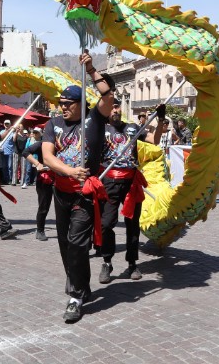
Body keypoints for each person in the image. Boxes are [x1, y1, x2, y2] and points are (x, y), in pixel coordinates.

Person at [42, 52, 113, 323]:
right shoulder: (53, 124)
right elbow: (48, 157)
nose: (63, 108)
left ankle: (75, 297)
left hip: (84, 192)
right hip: (61, 190)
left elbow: (108, 96)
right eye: (61, 103)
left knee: (76, 242)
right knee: (64, 243)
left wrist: (93, 70)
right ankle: (80, 283)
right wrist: (70, 170)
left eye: (68, 104)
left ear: (82, 104)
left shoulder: (94, 120)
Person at [97, 98, 158, 284]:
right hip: (109, 182)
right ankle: (107, 262)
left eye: (117, 106)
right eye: (112, 107)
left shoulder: (132, 128)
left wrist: (160, 121)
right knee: (106, 224)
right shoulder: (100, 130)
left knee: (132, 225)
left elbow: (154, 140)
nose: (115, 110)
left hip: (131, 182)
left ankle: (132, 263)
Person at [21, 128, 52, 241]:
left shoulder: (62, 145)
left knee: (63, 207)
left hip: (60, 178)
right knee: (44, 206)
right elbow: (25, 152)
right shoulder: (41, 144)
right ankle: (40, 230)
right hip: (45, 178)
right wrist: (37, 163)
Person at [0, 120, 16, 185]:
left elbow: (14, 140)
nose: (6, 125)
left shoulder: (12, 132)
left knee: (9, 166)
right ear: (4, 124)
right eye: (5, 123)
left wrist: (15, 132)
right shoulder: (2, 131)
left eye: (7, 124)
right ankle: (5, 179)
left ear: (10, 124)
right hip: (2, 151)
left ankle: (9, 179)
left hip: (10, 151)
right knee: (4, 166)